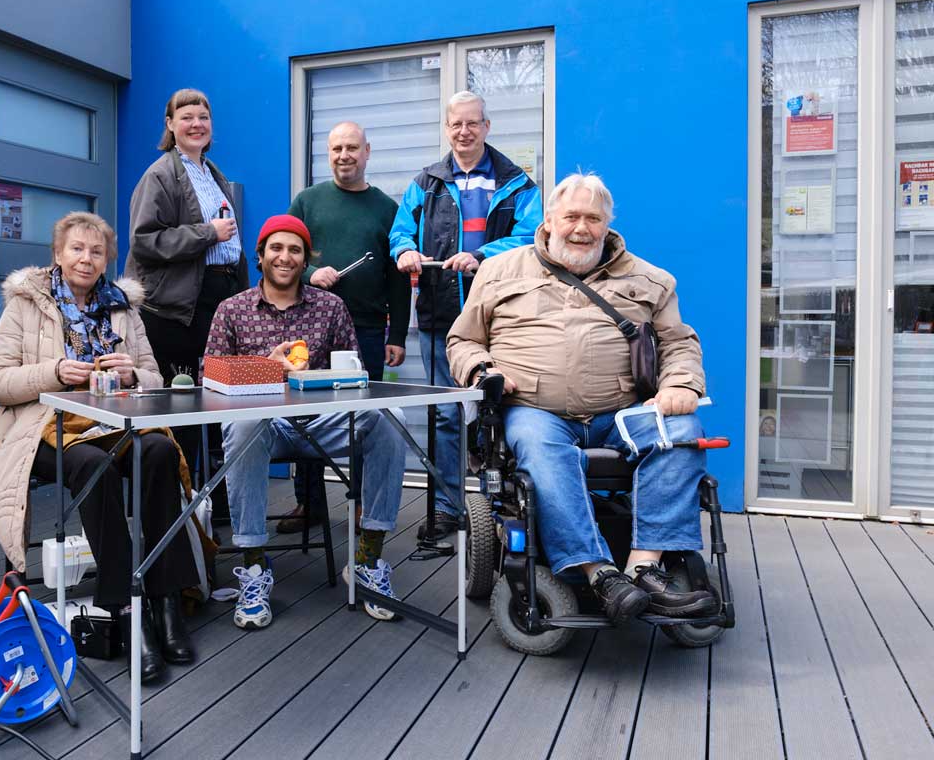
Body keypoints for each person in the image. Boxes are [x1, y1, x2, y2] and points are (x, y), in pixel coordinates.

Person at [445, 173, 717, 624]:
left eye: (593, 218)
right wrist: (483, 370)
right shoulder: (498, 271)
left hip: (623, 410)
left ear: (608, 223)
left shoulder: (651, 279)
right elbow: (462, 341)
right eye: (571, 216)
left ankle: (644, 567)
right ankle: (599, 573)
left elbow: (679, 343)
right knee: (538, 446)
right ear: (549, 220)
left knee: (684, 431)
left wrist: (681, 385)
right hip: (536, 411)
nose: (581, 227)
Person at [0, 211, 199, 682]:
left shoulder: (124, 306)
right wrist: (54, 372)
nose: (87, 257)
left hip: (115, 423)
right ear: (57, 254)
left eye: (97, 251)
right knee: (94, 465)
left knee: (159, 452)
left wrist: (130, 374)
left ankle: (166, 602)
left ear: (107, 260)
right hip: (44, 427)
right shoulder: (25, 303)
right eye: (77, 248)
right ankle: (126, 609)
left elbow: (154, 379)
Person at [205, 215, 408, 629]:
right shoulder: (232, 310)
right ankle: (255, 568)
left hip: (322, 424)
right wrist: (267, 368)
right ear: (259, 256)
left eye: (295, 250)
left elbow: (355, 376)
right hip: (265, 429)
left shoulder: (330, 306)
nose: (285, 257)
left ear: (305, 259)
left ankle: (368, 560)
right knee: (243, 425)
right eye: (276, 249)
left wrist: (326, 380)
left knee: (390, 415)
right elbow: (210, 378)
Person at [390, 90, 542, 542]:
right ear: (447, 128)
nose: (464, 132)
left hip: (502, 319)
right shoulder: (426, 182)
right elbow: (400, 231)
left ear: (486, 126)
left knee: (501, 414)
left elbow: (533, 238)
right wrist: (405, 251)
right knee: (445, 417)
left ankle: (499, 511)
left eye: (472, 123)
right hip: (440, 317)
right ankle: (446, 510)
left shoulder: (519, 183)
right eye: (456, 124)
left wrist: (479, 256)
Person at [280, 121, 411, 533]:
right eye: (336, 148)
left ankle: (360, 503)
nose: (343, 156)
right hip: (310, 325)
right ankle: (310, 503)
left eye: (352, 148)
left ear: (367, 152)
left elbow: (397, 279)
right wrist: (312, 272)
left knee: (362, 417)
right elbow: (281, 253)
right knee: (305, 414)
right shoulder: (307, 201)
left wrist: (399, 335)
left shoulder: (387, 209)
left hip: (368, 329)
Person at [125, 88, 247, 497]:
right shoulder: (160, 174)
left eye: (204, 117)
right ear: (170, 125)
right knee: (181, 407)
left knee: (217, 403)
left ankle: (215, 503)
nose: (197, 124)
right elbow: (144, 240)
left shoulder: (215, 175)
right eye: (187, 117)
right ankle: (176, 499)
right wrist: (205, 233)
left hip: (218, 301)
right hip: (175, 311)